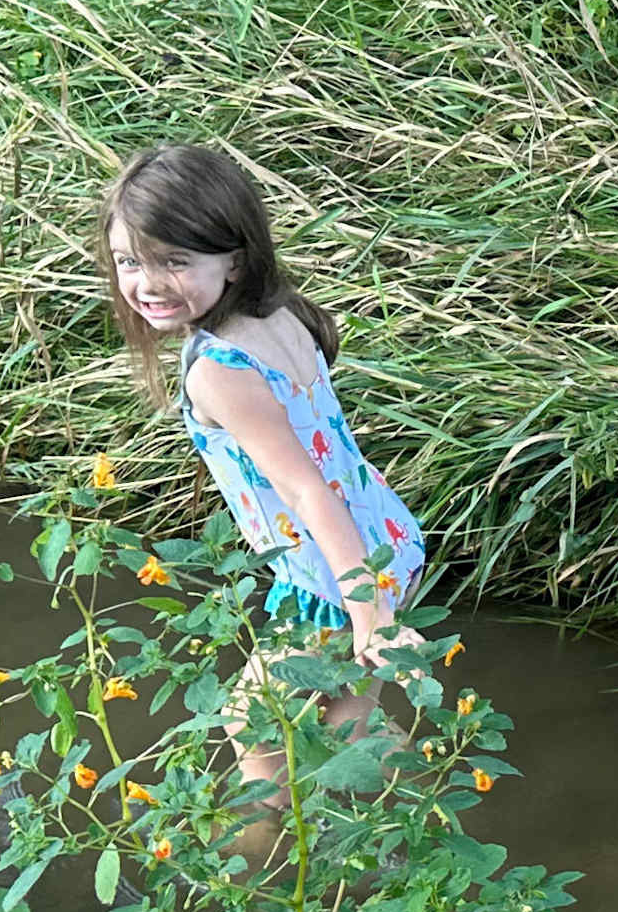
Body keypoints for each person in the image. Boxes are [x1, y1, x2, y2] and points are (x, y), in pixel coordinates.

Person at [100, 143, 429, 855]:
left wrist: (367, 615)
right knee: (344, 714)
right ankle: (407, 809)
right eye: (130, 261)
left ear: (235, 259)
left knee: (251, 722)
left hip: (332, 579)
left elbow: (308, 490)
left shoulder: (218, 371)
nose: (148, 285)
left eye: (174, 262)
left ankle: (254, 865)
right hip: (387, 537)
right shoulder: (285, 313)